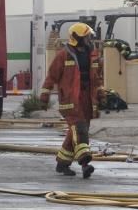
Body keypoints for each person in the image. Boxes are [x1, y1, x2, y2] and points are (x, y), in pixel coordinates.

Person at [40, 22, 102, 178]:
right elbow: (52, 76)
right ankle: (85, 163)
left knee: (77, 130)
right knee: (79, 128)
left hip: (87, 97)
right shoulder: (64, 54)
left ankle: (62, 163)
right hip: (70, 99)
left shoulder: (92, 53)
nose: (88, 39)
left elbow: (97, 77)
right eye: (86, 36)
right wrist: (45, 95)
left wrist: (101, 94)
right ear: (77, 38)